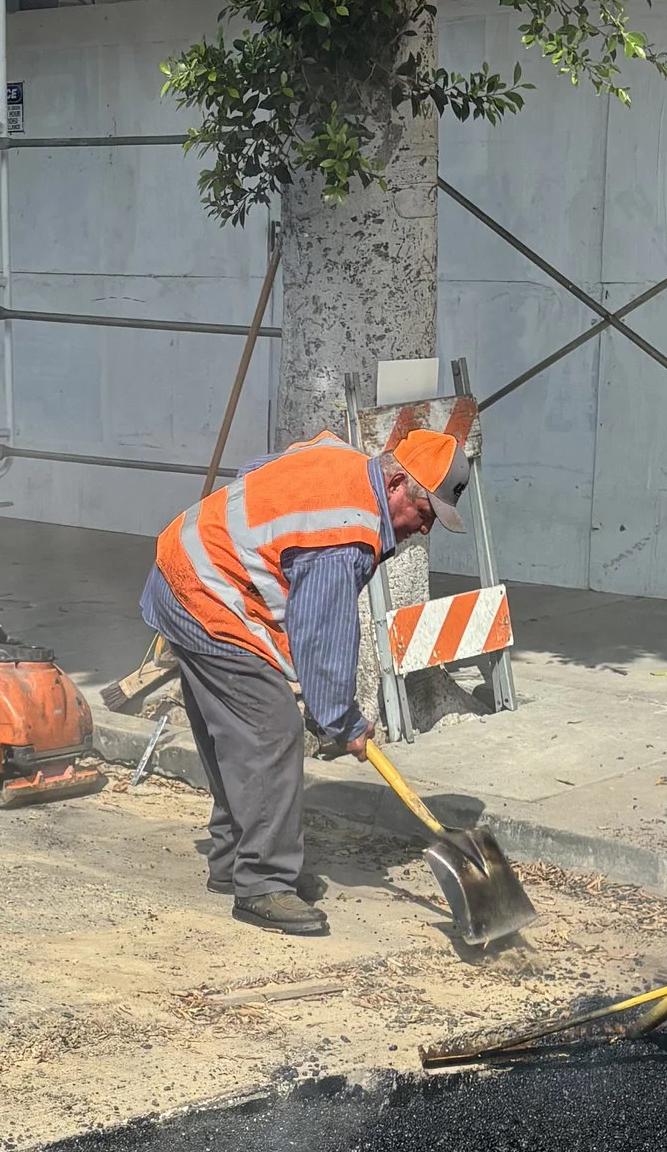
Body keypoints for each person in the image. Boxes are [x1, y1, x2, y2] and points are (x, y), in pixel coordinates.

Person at [141, 393, 480, 935]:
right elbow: (321, 637)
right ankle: (264, 884)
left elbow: (255, 473)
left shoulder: (339, 456)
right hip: (205, 593)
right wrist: (339, 719)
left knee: (235, 731)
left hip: (180, 568)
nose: (424, 529)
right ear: (395, 485)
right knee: (272, 727)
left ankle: (233, 861)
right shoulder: (345, 534)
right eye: (424, 512)